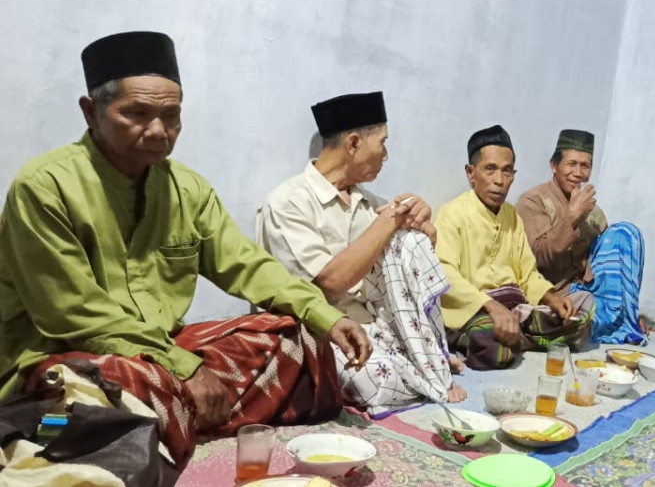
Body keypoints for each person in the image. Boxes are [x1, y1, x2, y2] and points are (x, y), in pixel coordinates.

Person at [0, 32, 370, 467]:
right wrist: (182, 366)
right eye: (137, 113)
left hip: (159, 349)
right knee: (104, 385)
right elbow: (73, 315)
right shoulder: (44, 188)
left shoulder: (187, 188)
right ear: (90, 111)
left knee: (297, 336)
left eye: (171, 116)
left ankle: (161, 421)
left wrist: (325, 315)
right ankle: (69, 428)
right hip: (61, 359)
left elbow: (246, 265)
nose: (159, 131)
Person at [258, 92, 465, 416]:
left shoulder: (371, 204)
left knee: (410, 243)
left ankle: (424, 364)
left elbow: (412, 268)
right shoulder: (287, 203)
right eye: (382, 143)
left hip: (375, 327)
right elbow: (331, 283)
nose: (386, 155)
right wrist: (390, 220)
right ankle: (423, 371)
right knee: (373, 380)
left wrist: (423, 228)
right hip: (320, 330)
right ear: (354, 143)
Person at [434, 125, 595, 370]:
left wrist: (551, 297)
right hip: (476, 312)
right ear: (471, 172)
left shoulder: (511, 216)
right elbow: (445, 275)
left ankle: (517, 338)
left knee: (582, 309)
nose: (499, 181)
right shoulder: (452, 214)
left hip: (516, 310)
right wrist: (490, 306)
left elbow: (527, 273)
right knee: (490, 339)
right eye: (490, 169)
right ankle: (518, 339)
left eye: (507, 171)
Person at [515, 129, 646, 345]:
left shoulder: (594, 213)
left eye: (585, 166)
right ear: (554, 166)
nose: (578, 173)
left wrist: (629, 308)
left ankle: (624, 320)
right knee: (562, 317)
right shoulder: (533, 201)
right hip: (552, 296)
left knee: (625, 233)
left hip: (586, 292)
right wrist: (571, 217)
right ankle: (594, 324)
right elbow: (538, 256)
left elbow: (608, 266)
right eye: (571, 164)